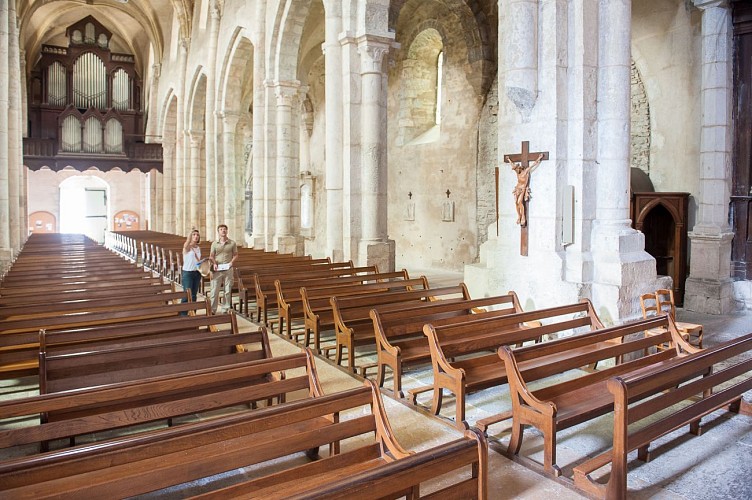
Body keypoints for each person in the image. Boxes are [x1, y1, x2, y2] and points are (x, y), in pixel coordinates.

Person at [506, 153, 544, 226]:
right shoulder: (518, 173)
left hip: (523, 189)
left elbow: (533, 165)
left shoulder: (525, 171)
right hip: (517, 188)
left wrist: (539, 158)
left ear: (519, 168)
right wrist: (508, 159)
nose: (516, 170)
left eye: (516, 169)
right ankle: (519, 216)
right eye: (515, 170)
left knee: (520, 202)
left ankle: (523, 216)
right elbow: (512, 165)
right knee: (516, 203)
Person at [209, 224, 238, 314]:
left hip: (228, 268)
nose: (223, 231)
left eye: (225, 229)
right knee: (214, 290)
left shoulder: (232, 243)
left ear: (227, 231)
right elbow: (211, 256)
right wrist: (214, 263)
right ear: (218, 232)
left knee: (227, 290)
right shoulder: (214, 243)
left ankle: (225, 309)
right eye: (221, 229)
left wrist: (231, 263)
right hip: (217, 269)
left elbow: (236, 255)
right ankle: (212, 309)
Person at [181, 229, 202, 304]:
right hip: (188, 273)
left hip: (197, 273)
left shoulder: (198, 248)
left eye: (197, 235)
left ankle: (193, 313)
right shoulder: (187, 247)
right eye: (194, 234)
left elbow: (197, 261)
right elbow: (186, 244)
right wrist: (190, 234)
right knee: (186, 295)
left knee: (193, 295)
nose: (196, 236)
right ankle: (183, 314)